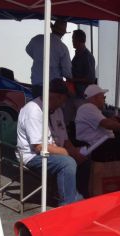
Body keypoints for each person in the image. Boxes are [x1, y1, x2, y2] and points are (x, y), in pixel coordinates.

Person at [17, 78, 83, 206]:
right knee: (67, 163)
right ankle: (67, 205)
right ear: (56, 97)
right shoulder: (33, 110)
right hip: (32, 156)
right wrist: (66, 152)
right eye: (63, 100)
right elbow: (39, 147)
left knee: (83, 160)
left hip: (52, 150)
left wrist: (76, 153)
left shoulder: (56, 110)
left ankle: (78, 195)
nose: (63, 105)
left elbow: (65, 139)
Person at [25, 18, 72, 98]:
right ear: (63, 33)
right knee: (52, 110)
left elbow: (28, 50)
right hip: (53, 87)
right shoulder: (62, 47)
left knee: (37, 108)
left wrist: (39, 59)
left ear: (52, 29)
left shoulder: (37, 39)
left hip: (36, 83)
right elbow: (67, 72)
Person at [70, 29, 96, 101]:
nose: (72, 41)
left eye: (73, 38)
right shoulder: (77, 55)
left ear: (78, 40)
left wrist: (73, 80)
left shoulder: (87, 57)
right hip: (76, 94)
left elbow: (90, 79)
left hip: (82, 96)